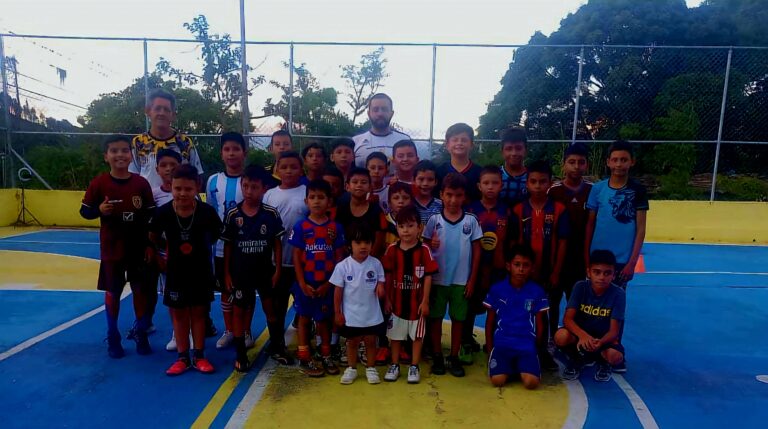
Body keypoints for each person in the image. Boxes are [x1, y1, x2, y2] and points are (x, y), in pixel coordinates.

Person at [80, 135, 156, 359]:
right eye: (114, 151)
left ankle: (141, 332)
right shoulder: (99, 183)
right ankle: (113, 335)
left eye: (124, 150)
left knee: (140, 292)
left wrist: (150, 244)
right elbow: (85, 212)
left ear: (131, 155)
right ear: (106, 156)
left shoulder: (140, 183)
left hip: (138, 249)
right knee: (113, 292)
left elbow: (150, 216)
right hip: (112, 250)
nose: (120, 154)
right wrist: (99, 210)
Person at [149, 165, 223, 376]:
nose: (182, 193)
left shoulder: (206, 212)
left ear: (197, 187)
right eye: (178, 188)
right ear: (171, 187)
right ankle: (183, 357)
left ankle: (199, 355)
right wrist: (159, 256)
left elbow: (217, 234)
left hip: (200, 271)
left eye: (188, 189)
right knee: (179, 316)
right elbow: (152, 237)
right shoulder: (163, 213)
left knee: (199, 314)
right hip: (175, 272)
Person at [221, 164, 291, 372]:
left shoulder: (270, 213)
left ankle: (277, 347)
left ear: (264, 189)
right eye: (246, 186)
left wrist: (278, 269)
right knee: (240, 311)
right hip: (241, 273)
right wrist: (226, 273)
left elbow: (278, 243)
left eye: (254, 187)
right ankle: (241, 353)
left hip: (265, 272)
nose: (249, 191)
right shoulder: (233, 214)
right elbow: (228, 245)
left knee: (271, 310)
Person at [506, 160, 569, 371]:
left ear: (550, 183)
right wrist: (517, 273)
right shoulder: (518, 210)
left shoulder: (559, 210)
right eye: (533, 181)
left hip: (549, 273)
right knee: (523, 312)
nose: (538, 186)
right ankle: (521, 350)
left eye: (543, 181)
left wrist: (557, 272)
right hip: (525, 275)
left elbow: (562, 242)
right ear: (527, 184)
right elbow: (514, 243)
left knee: (548, 312)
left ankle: (544, 351)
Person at [423, 173, 482, 377]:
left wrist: (472, 280)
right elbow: (423, 248)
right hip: (438, 280)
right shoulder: (433, 221)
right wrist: (429, 244)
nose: (453, 200)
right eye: (449, 195)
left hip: (461, 281)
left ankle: (454, 356)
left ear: (464, 196)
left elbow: (477, 252)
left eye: (458, 195)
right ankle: (437, 355)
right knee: (436, 319)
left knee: (458, 320)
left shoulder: (471, 221)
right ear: (441, 195)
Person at [289, 179, 346, 377]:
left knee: (324, 321)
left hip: (326, 285)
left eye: (321, 197)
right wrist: (302, 283)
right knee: (304, 319)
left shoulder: (335, 228)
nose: (316, 201)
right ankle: (305, 356)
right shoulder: (301, 226)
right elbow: (296, 256)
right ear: (306, 201)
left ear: (329, 201)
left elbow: (339, 258)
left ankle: (326, 354)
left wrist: (328, 283)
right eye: (312, 197)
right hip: (305, 283)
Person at [382, 206, 438, 384]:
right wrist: (388, 299)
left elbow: (428, 277)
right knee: (396, 336)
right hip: (397, 304)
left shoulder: (424, 250)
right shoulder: (391, 250)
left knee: (417, 336)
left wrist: (425, 301)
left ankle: (414, 366)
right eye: (401, 226)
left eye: (410, 225)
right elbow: (388, 276)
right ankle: (395, 364)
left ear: (419, 227)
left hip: (417, 305)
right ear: (397, 228)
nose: (406, 230)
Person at [263, 151, 309, 359]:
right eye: (284, 167)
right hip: (276, 262)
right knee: (277, 306)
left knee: (306, 305)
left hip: (302, 263)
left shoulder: (307, 192)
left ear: (301, 170)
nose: (289, 171)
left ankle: (306, 343)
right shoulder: (270, 194)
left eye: (294, 166)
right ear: (277, 170)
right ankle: (276, 343)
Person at [586, 140, 648, 290]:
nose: (619, 164)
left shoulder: (638, 190)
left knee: (615, 303)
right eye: (615, 160)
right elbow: (590, 225)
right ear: (608, 162)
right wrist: (586, 258)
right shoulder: (597, 189)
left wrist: (632, 263)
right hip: (597, 257)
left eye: (624, 160)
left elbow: (641, 229)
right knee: (593, 303)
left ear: (632, 162)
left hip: (622, 260)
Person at [555, 250, 626, 383]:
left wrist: (600, 342)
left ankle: (599, 359)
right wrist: (583, 336)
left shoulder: (618, 293)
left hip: (603, 339)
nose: (601, 277)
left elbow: (614, 331)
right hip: (580, 336)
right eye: (597, 272)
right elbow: (567, 319)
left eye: (607, 273)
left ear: (614, 275)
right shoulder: (580, 287)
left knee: (615, 357)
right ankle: (577, 357)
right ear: (589, 272)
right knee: (560, 337)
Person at [484, 244, 548, 389]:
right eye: (517, 264)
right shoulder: (497, 289)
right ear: (508, 266)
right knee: (497, 381)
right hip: (502, 344)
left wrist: (535, 348)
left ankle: (521, 365)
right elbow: (489, 322)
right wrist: (490, 350)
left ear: (532, 268)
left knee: (531, 383)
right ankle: (512, 366)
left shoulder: (537, 291)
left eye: (526, 265)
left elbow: (540, 325)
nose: (521, 269)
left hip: (526, 344)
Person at [463, 165, 510, 363]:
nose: (490, 187)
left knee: (497, 306)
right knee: (470, 305)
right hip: (474, 268)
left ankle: (495, 341)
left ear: (502, 185)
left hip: (498, 269)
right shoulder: (470, 210)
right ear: (479, 186)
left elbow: (513, 240)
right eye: (486, 183)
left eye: (495, 183)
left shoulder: (507, 211)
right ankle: (466, 341)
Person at [205, 132, 247, 351]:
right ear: (222, 153)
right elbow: (211, 211)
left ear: (244, 153)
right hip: (221, 247)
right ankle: (229, 330)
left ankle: (246, 330)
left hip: (247, 248)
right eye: (227, 149)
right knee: (226, 289)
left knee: (245, 289)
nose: (231, 153)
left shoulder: (250, 181)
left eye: (236, 149)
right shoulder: (213, 181)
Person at [331, 224, 387, 385]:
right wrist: (338, 312)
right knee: (352, 342)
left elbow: (381, 281)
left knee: (370, 341)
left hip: (371, 313)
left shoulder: (375, 264)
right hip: (351, 314)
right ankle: (351, 368)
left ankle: (371, 368)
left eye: (367, 242)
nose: (363, 246)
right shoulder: (343, 266)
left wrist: (381, 288)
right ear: (350, 245)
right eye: (358, 243)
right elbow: (338, 292)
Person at [548, 143, 592, 340]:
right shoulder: (553, 191)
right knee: (553, 299)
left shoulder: (593, 190)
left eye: (580, 162)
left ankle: (576, 339)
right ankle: (550, 336)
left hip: (580, 258)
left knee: (577, 301)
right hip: (557, 257)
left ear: (587, 166)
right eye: (571, 162)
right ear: (563, 165)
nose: (576, 166)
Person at [129, 89, 204, 189]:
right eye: (157, 108)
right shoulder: (138, 143)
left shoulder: (185, 143)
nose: (162, 113)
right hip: (149, 202)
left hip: (179, 202)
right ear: (148, 112)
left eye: (166, 109)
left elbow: (197, 176)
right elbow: (132, 177)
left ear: (173, 115)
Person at [150, 148, 180, 351]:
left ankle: (192, 331)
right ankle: (177, 333)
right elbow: (149, 228)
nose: (169, 169)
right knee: (172, 295)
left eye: (173, 165)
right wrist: (155, 254)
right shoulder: (154, 195)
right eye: (164, 165)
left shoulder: (189, 193)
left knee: (192, 296)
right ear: (157, 169)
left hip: (187, 254)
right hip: (164, 253)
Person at [335, 167, 387, 258]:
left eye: (363, 182)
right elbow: (338, 233)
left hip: (370, 258)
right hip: (346, 258)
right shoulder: (341, 207)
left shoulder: (376, 210)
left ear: (370, 187)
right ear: (347, 187)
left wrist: (368, 259)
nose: (359, 185)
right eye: (355, 182)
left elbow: (379, 239)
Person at [353, 93, 411, 168]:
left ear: (391, 113)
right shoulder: (356, 142)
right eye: (375, 110)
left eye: (384, 109)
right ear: (368, 113)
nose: (380, 113)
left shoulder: (404, 140)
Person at [436, 123, 482, 202]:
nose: (459, 143)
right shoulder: (439, 172)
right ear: (447, 145)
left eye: (464, 140)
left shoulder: (480, 173)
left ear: (471, 145)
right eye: (455, 140)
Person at [499, 127, 528, 207]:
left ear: (525, 151)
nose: (514, 153)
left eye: (518, 148)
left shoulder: (533, 178)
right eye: (509, 149)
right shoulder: (494, 176)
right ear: (502, 152)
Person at [383, 181, 414, 246]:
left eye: (405, 198)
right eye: (396, 198)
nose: (401, 201)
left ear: (411, 202)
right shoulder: (384, 220)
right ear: (389, 202)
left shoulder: (416, 222)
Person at [413, 160, 443, 226]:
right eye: (421, 179)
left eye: (430, 180)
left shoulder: (441, 205)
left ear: (436, 181)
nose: (425, 184)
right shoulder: (410, 204)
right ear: (414, 180)